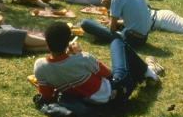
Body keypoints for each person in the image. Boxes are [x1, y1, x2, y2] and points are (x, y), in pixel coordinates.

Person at [33, 22, 163, 106]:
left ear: (47, 42)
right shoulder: (83, 58)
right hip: (115, 95)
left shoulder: (40, 67)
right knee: (117, 42)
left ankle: (147, 71)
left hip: (88, 103)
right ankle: (150, 72)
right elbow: (108, 74)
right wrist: (79, 53)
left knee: (131, 69)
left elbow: (47, 95)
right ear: (68, 41)